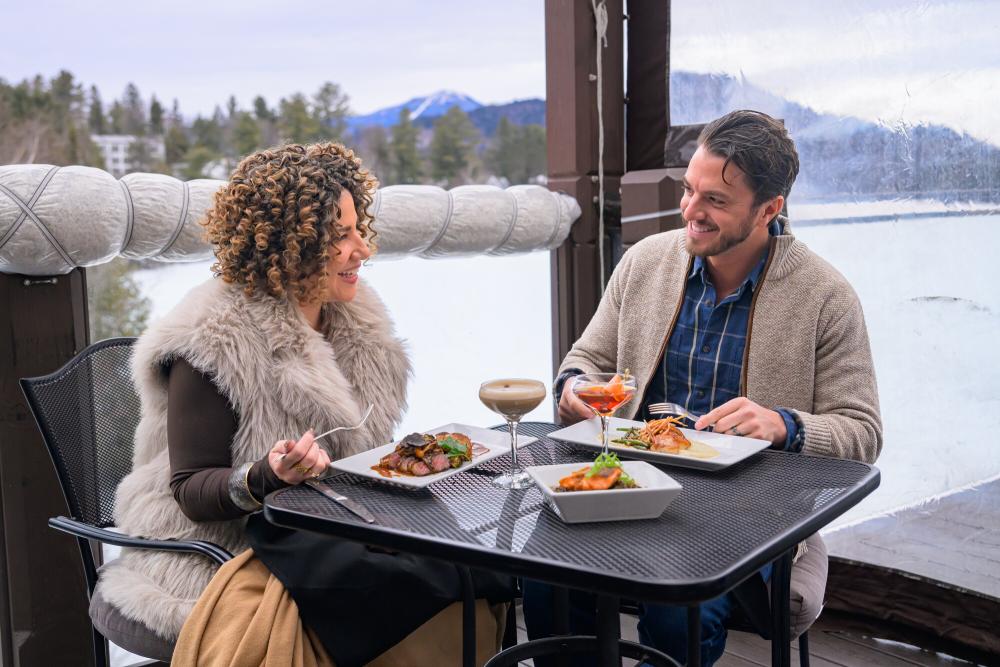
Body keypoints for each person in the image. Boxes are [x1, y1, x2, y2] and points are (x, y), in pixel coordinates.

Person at [91, 142, 509, 665]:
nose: (363, 249)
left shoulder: (354, 318)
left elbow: (356, 455)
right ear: (290, 244)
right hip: (221, 540)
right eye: (341, 236)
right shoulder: (212, 338)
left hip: (329, 527)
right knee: (399, 598)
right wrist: (266, 475)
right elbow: (191, 492)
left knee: (462, 575)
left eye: (360, 229)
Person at [525, 110, 882, 666]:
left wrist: (784, 424)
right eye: (690, 190)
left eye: (715, 200)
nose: (691, 211)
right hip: (628, 484)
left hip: (751, 512)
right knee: (547, 578)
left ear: (769, 209)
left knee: (678, 611)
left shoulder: (826, 296)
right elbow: (586, 362)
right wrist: (574, 391)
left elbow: (862, 432)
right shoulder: (644, 262)